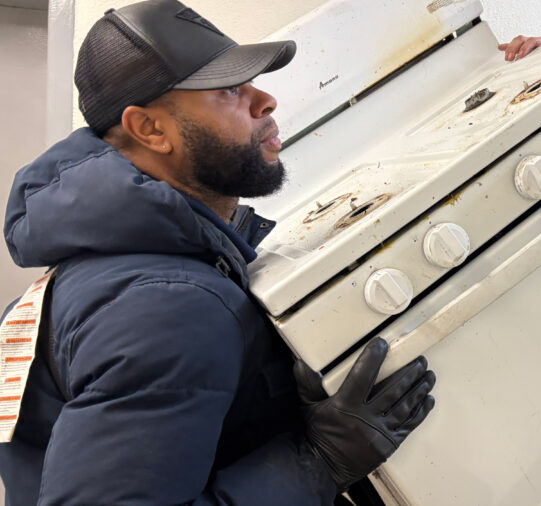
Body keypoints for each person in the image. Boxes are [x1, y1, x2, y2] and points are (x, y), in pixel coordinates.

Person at [0, 1, 435, 504]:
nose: (265, 100)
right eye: (229, 90)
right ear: (150, 129)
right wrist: (318, 463)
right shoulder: (165, 306)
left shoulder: (132, 265)